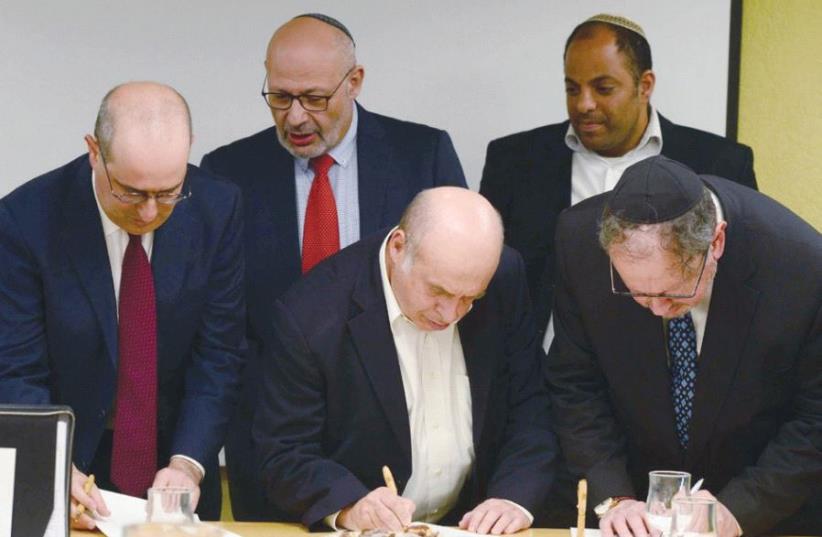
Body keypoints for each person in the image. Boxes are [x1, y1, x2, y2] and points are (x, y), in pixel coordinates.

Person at [200, 13, 466, 521]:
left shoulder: (421, 155)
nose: (296, 117)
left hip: (395, 421)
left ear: (355, 82)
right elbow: (223, 321)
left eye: (315, 98)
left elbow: (456, 284)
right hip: (276, 434)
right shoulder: (229, 172)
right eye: (280, 97)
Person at [0, 82, 247, 528]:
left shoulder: (218, 207)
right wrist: (54, 466)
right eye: (132, 193)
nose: (150, 213)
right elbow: (17, 368)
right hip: (73, 457)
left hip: (175, 456)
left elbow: (219, 354)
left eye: (169, 192)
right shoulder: (25, 221)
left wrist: (188, 463)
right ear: (95, 152)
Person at [253, 187, 557, 533]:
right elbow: (285, 452)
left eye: (471, 298)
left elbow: (530, 403)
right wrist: (351, 505)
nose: (451, 314)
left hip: (469, 525)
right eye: (438, 291)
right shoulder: (311, 315)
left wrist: (512, 498)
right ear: (398, 248)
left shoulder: (504, 276)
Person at [547, 155, 821, 536]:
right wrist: (613, 497)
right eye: (639, 293)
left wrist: (740, 509)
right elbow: (575, 382)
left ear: (717, 241)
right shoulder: (578, 242)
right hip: (635, 512)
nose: (659, 310)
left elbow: (815, 419)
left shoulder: (801, 267)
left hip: (764, 510)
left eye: (674, 292)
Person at [480, 13, 757, 352]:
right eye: (572, 88)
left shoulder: (719, 162)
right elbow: (492, 282)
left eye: (603, 88)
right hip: (552, 377)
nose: (584, 104)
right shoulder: (515, 161)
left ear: (645, 85)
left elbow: (741, 281)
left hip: (673, 375)